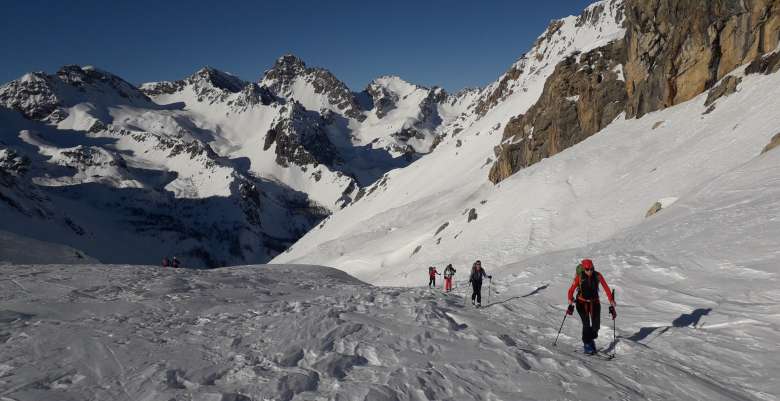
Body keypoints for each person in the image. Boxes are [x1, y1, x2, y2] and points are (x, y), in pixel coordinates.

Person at [566, 258, 617, 355]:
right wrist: (570, 298)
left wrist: (611, 299)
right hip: (581, 303)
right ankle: (587, 344)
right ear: (584, 269)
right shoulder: (579, 277)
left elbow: (606, 287)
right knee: (586, 324)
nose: (590, 271)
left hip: (595, 303)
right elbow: (571, 289)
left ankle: (590, 340)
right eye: (587, 269)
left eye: (591, 269)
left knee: (595, 327)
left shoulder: (597, 275)